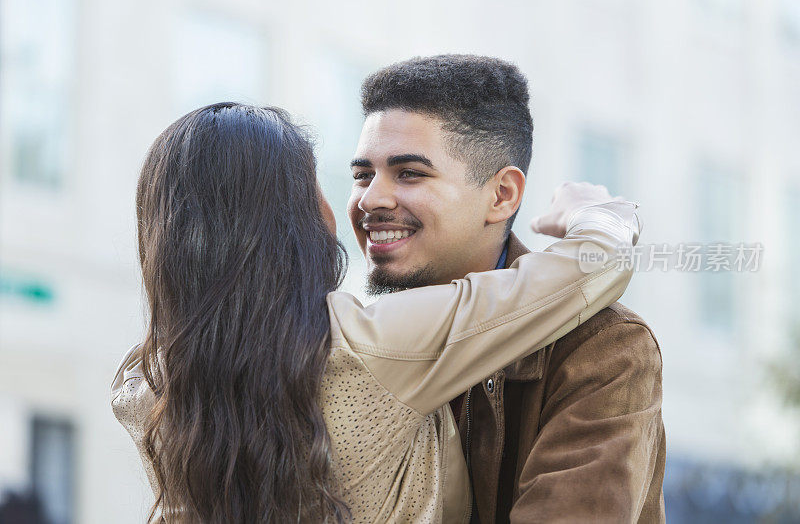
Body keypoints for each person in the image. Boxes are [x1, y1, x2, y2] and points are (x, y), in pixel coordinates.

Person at [111, 102, 641, 523]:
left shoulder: (143, 388)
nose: (362, 203)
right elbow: (598, 264)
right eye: (325, 182)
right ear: (288, 224)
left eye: (409, 174)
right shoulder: (371, 347)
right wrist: (595, 210)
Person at [349, 55, 665, 523]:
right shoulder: (350, 345)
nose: (371, 198)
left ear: (502, 196)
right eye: (362, 175)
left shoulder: (602, 345)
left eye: (409, 172)